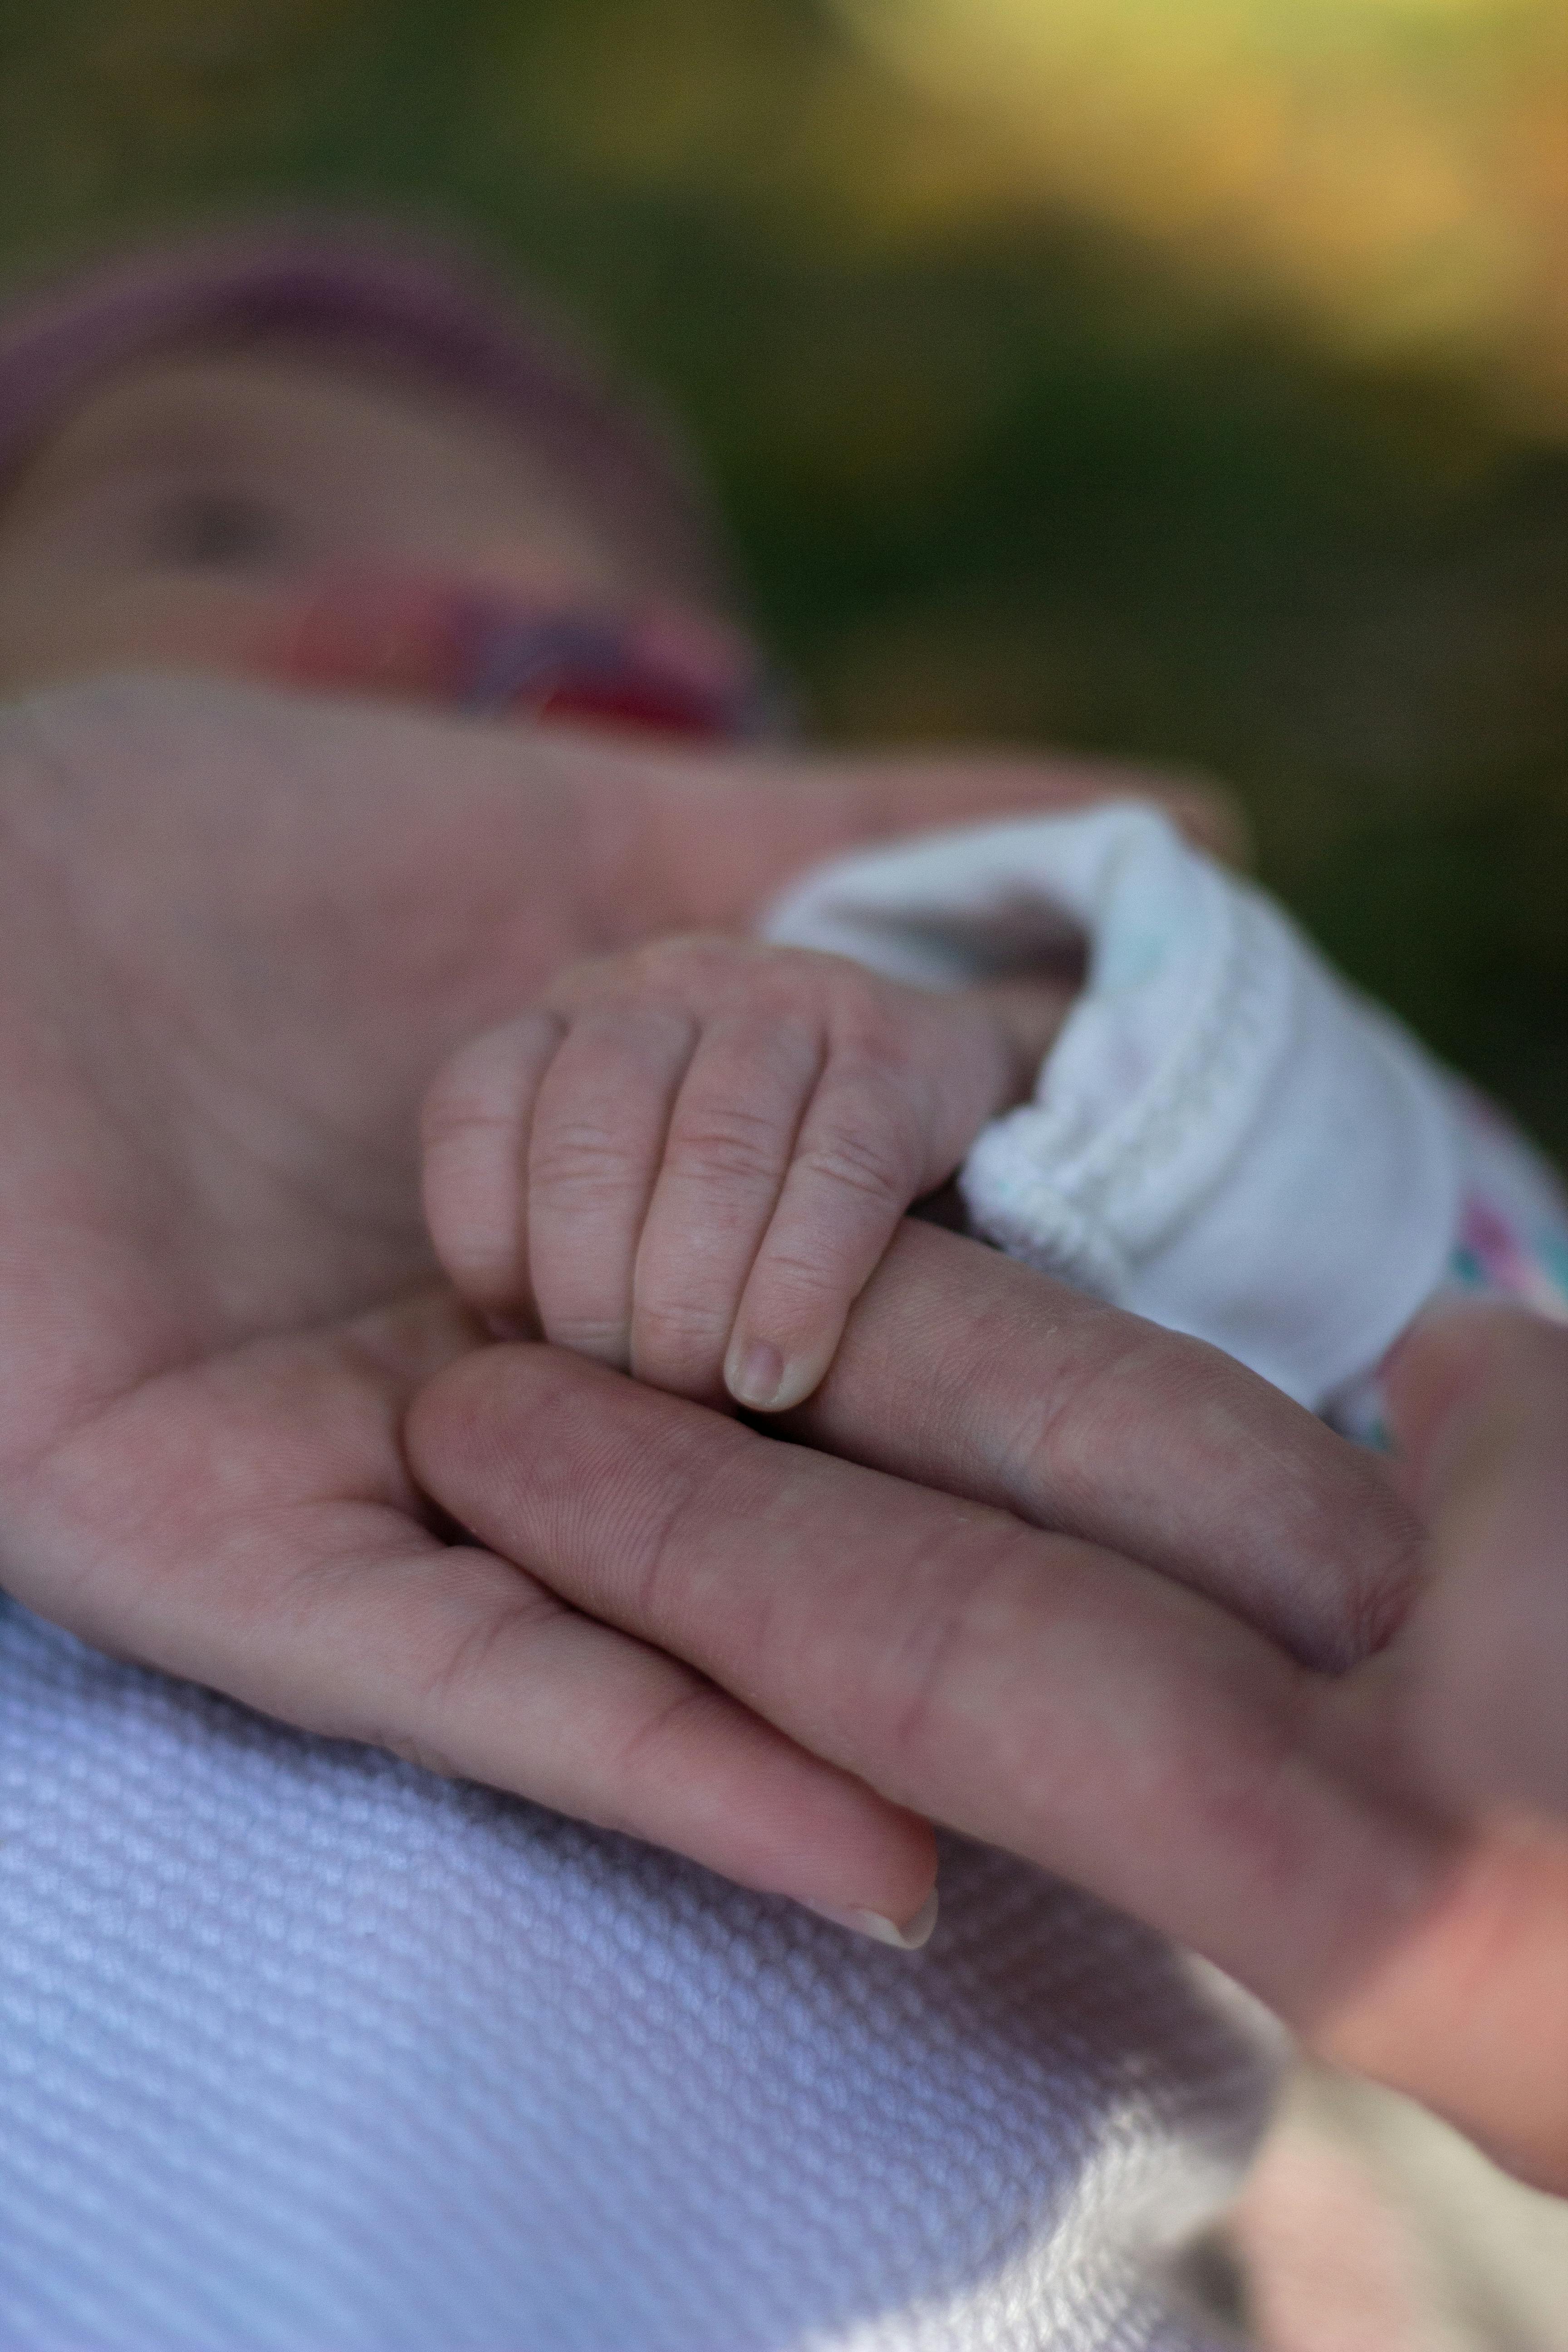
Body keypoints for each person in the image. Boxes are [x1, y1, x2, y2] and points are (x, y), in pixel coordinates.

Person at [0, 219, 1561, 2351]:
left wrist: (1035, 1066)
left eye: (619, 607)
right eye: (213, 515)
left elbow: (1489, 1351)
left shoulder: (985, 1076)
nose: (455, 611)